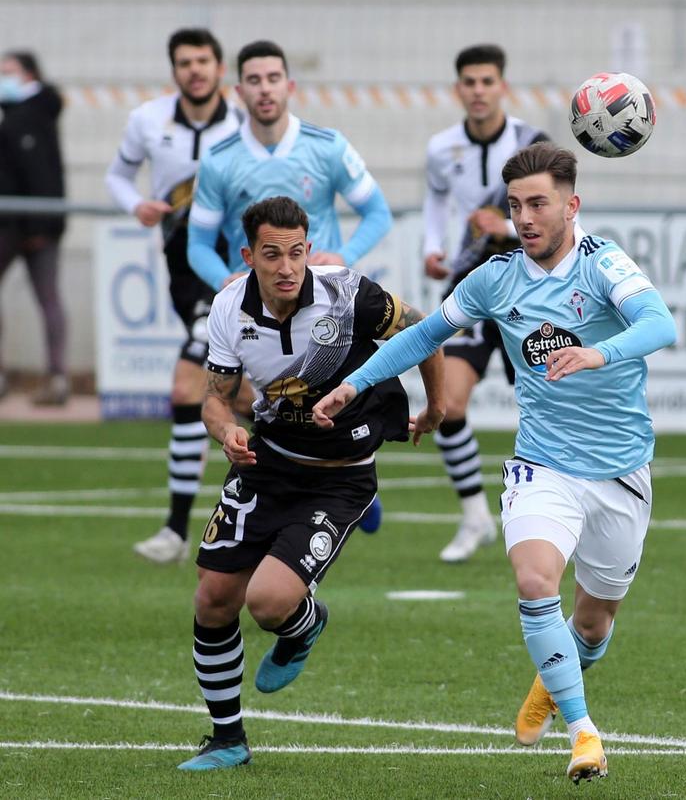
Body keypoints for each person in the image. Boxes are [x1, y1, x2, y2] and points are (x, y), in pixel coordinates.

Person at [314, 142, 676, 783]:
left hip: (621, 471)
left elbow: (659, 323)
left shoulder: (603, 264)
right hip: (544, 463)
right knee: (536, 582)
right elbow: (425, 335)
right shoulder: (494, 277)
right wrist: (353, 383)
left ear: (572, 204)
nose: (526, 217)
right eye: (514, 206)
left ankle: (553, 680)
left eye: (539, 203)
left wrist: (600, 353)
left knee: (592, 623)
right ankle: (583, 732)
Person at [177, 196, 445, 770]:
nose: (287, 266)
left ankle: (304, 624)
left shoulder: (347, 295)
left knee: (268, 603)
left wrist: (437, 407)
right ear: (249, 256)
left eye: (296, 252)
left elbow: (424, 328)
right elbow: (216, 401)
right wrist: (226, 433)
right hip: (267, 463)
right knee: (213, 596)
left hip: (338, 479)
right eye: (271, 254)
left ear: (308, 248)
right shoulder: (229, 308)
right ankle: (227, 739)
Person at [188, 39, 393, 532]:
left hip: (322, 304)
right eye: (254, 80)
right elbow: (196, 242)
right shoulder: (219, 159)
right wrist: (227, 282)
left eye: (273, 78)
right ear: (238, 90)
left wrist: (340, 258)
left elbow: (377, 213)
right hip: (257, 302)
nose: (264, 89)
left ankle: (347, 479)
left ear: (289, 85)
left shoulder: (327, 147)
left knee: (330, 395)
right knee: (250, 399)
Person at [105, 28, 246, 564]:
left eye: (204, 61)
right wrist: (135, 204)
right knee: (249, 393)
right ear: (175, 71)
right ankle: (318, 455)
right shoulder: (147, 120)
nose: (195, 70)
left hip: (237, 267)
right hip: (181, 267)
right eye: (185, 62)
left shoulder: (242, 124)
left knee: (189, 385)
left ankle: (174, 530)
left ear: (218, 67)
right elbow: (117, 177)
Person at [422, 44, 549, 563]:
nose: (478, 91)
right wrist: (432, 248)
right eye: (469, 82)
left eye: (487, 81)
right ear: (459, 89)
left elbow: (556, 217)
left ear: (503, 87)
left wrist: (511, 228)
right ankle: (475, 514)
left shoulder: (530, 144)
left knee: (547, 407)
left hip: (532, 291)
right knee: (446, 405)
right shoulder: (440, 147)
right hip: (473, 288)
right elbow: (435, 202)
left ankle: (552, 513)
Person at [0, 50, 67, 405]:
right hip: (9, 221)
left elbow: (41, 173)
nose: (2, 79)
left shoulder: (35, 113)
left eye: (7, 72)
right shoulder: (15, 114)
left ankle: (57, 378)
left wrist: (40, 224)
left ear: (28, 75)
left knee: (48, 297)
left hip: (35, 222)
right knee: (49, 298)